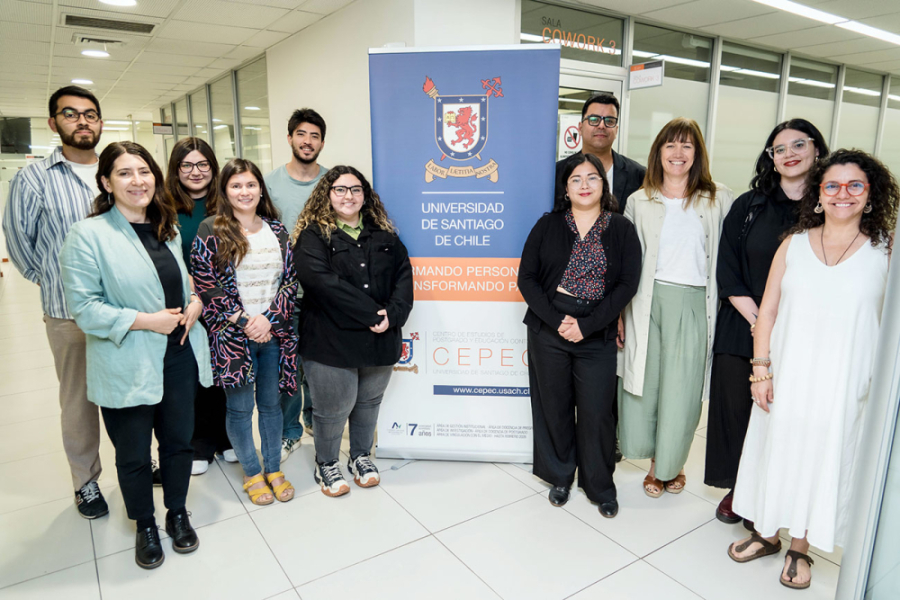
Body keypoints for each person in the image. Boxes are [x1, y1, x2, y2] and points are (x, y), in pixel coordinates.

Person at [729, 149, 898, 590]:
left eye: (855, 185)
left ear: (870, 194)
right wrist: (760, 371)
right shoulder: (795, 243)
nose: (844, 193)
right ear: (818, 194)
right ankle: (766, 531)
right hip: (787, 373)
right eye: (833, 185)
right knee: (775, 449)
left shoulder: (887, 250)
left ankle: (800, 547)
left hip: (846, 382)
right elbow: (766, 313)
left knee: (824, 459)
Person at [58, 141, 213, 569]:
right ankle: (145, 524)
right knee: (132, 451)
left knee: (179, 443)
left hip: (177, 353)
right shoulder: (88, 235)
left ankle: (177, 513)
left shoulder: (168, 226)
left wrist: (195, 300)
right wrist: (147, 320)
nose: (138, 181)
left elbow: (180, 284)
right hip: (127, 359)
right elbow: (85, 309)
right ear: (106, 182)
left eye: (144, 171)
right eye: (125, 173)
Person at [705, 120, 828, 524]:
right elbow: (727, 270)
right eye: (779, 149)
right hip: (743, 323)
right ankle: (738, 488)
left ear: (816, 150)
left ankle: (773, 494)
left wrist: (777, 329)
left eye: (799, 144)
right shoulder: (749, 205)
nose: (789, 153)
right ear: (771, 160)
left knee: (782, 414)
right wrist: (761, 323)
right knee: (735, 411)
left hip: (801, 331)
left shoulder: (830, 207)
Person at [2, 86, 111, 519]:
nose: (82, 121)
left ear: (100, 122)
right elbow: (20, 243)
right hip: (70, 313)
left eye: (90, 114)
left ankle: (140, 462)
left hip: (127, 311)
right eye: (71, 114)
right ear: (54, 123)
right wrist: (53, 280)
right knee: (79, 401)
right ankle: (85, 481)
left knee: (130, 394)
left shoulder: (119, 168)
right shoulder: (34, 177)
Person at [519, 154, 641, 518]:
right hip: (549, 327)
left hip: (597, 329)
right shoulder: (548, 225)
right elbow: (526, 279)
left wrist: (587, 325)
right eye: (576, 179)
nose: (585, 185)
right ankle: (559, 476)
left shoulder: (621, 228)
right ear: (565, 187)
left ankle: (600, 484)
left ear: (604, 186)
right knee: (553, 406)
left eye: (593, 178)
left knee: (597, 412)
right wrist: (559, 321)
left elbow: (626, 284)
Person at [618, 117, 734, 497]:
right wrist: (620, 314)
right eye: (670, 145)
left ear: (697, 153)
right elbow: (626, 263)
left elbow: (727, 259)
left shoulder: (718, 197)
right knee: (644, 387)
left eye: (687, 145)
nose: (678, 153)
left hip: (693, 304)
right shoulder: (639, 200)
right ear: (658, 152)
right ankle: (653, 462)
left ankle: (672, 465)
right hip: (645, 303)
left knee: (681, 391)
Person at [293, 166, 413, 497]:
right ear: (327, 195)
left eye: (356, 189)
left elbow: (404, 278)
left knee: (368, 403)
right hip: (330, 339)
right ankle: (327, 462)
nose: (349, 196)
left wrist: (393, 314)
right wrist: (371, 314)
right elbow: (321, 282)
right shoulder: (313, 236)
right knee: (333, 407)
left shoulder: (384, 234)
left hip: (381, 335)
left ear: (366, 195)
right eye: (340, 189)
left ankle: (361, 456)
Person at [191, 158, 298, 505]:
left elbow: (291, 281)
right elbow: (206, 285)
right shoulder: (210, 229)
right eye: (236, 185)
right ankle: (252, 473)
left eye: (251, 184)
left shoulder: (277, 230)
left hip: (272, 333)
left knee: (271, 406)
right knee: (239, 409)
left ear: (260, 189)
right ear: (224, 191)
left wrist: (268, 320)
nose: (244, 191)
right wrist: (244, 321)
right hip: (233, 337)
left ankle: (273, 469)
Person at [165, 136, 237, 476]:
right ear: (176, 170)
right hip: (185, 305)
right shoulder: (164, 207)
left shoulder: (226, 206)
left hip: (224, 302)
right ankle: (198, 443)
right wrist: (194, 294)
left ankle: (227, 438)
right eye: (187, 165)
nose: (196, 172)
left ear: (213, 167)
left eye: (203, 164)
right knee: (192, 377)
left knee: (224, 373)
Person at [266, 108, 328, 462]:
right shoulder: (270, 184)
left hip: (323, 293)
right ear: (289, 138)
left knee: (319, 364)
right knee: (287, 367)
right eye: (301, 134)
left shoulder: (333, 181)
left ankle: (315, 420)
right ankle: (290, 431)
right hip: (283, 294)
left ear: (322, 141)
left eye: (315, 136)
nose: (308, 141)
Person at [555, 93, 646, 215]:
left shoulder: (639, 175)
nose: (602, 125)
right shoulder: (557, 172)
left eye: (609, 121)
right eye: (594, 119)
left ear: (616, 130)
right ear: (580, 128)